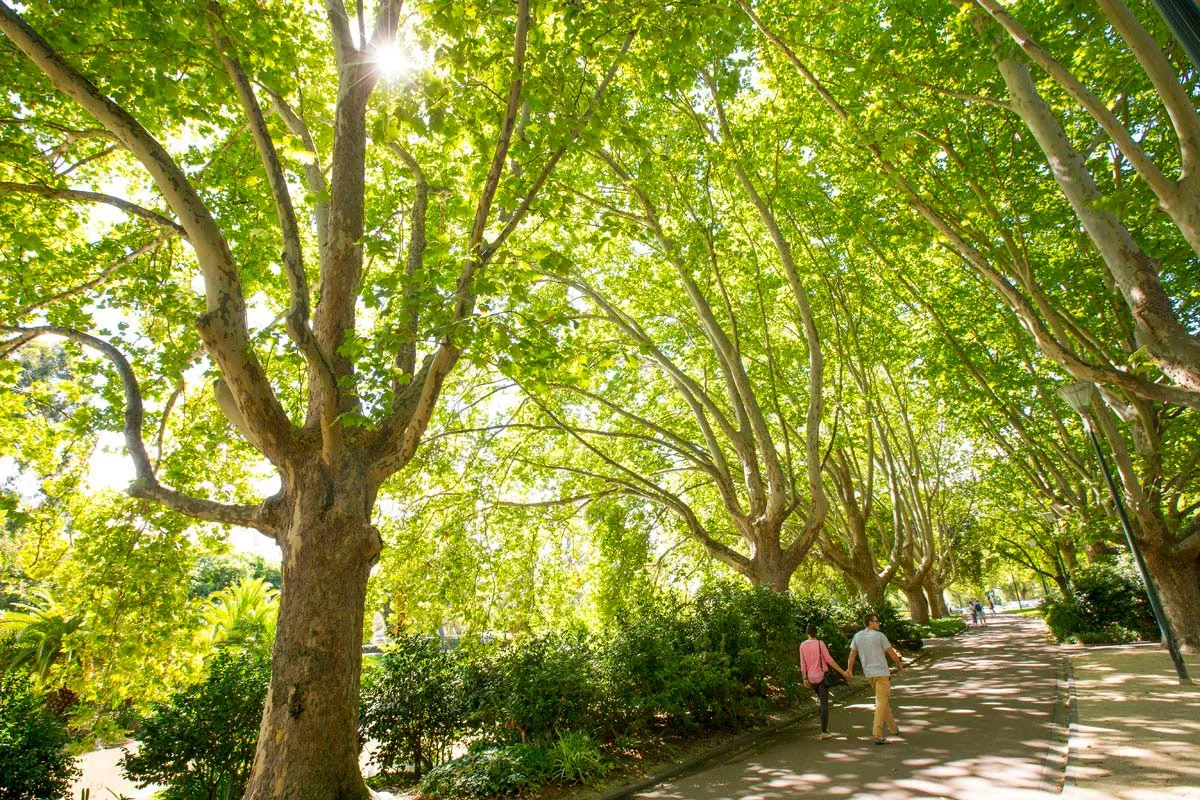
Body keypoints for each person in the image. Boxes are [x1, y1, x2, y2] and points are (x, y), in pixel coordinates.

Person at [846, 612, 904, 745]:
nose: (878, 623)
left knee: (883, 701)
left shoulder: (857, 636)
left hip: (869, 674)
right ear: (870, 622)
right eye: (876, 621)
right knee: (881, 702)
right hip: (882, 673)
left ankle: (893, 729)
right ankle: (877, 734)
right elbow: (891, 652)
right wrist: (898, 663)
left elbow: (852, 654)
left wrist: (849, 669)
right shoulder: (879, 636)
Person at [799, 623, 851, 740]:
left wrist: (804, 678)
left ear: (807, 633)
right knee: (824, 704)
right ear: (816, 632)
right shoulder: (819, 643)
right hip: (822, 677)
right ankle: (824, 731)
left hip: (811, 678)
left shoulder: (802, 645)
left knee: (820, 701)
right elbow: (829, 660)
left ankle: (823, 728)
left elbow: (803, 663)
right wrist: (843, 673)